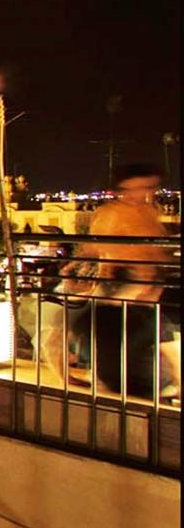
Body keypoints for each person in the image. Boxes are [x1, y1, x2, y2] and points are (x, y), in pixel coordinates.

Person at [83, 164, 179, 399]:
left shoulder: (148, 211)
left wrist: (155, 276)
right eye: (141, 187)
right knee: (153, 332)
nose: (146, 192)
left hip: (143, 284)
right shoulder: (111, 213)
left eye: (150, 187)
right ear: (124, 188)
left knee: (157, 333)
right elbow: (97, 247)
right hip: (122, 282)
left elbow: (155, 248)